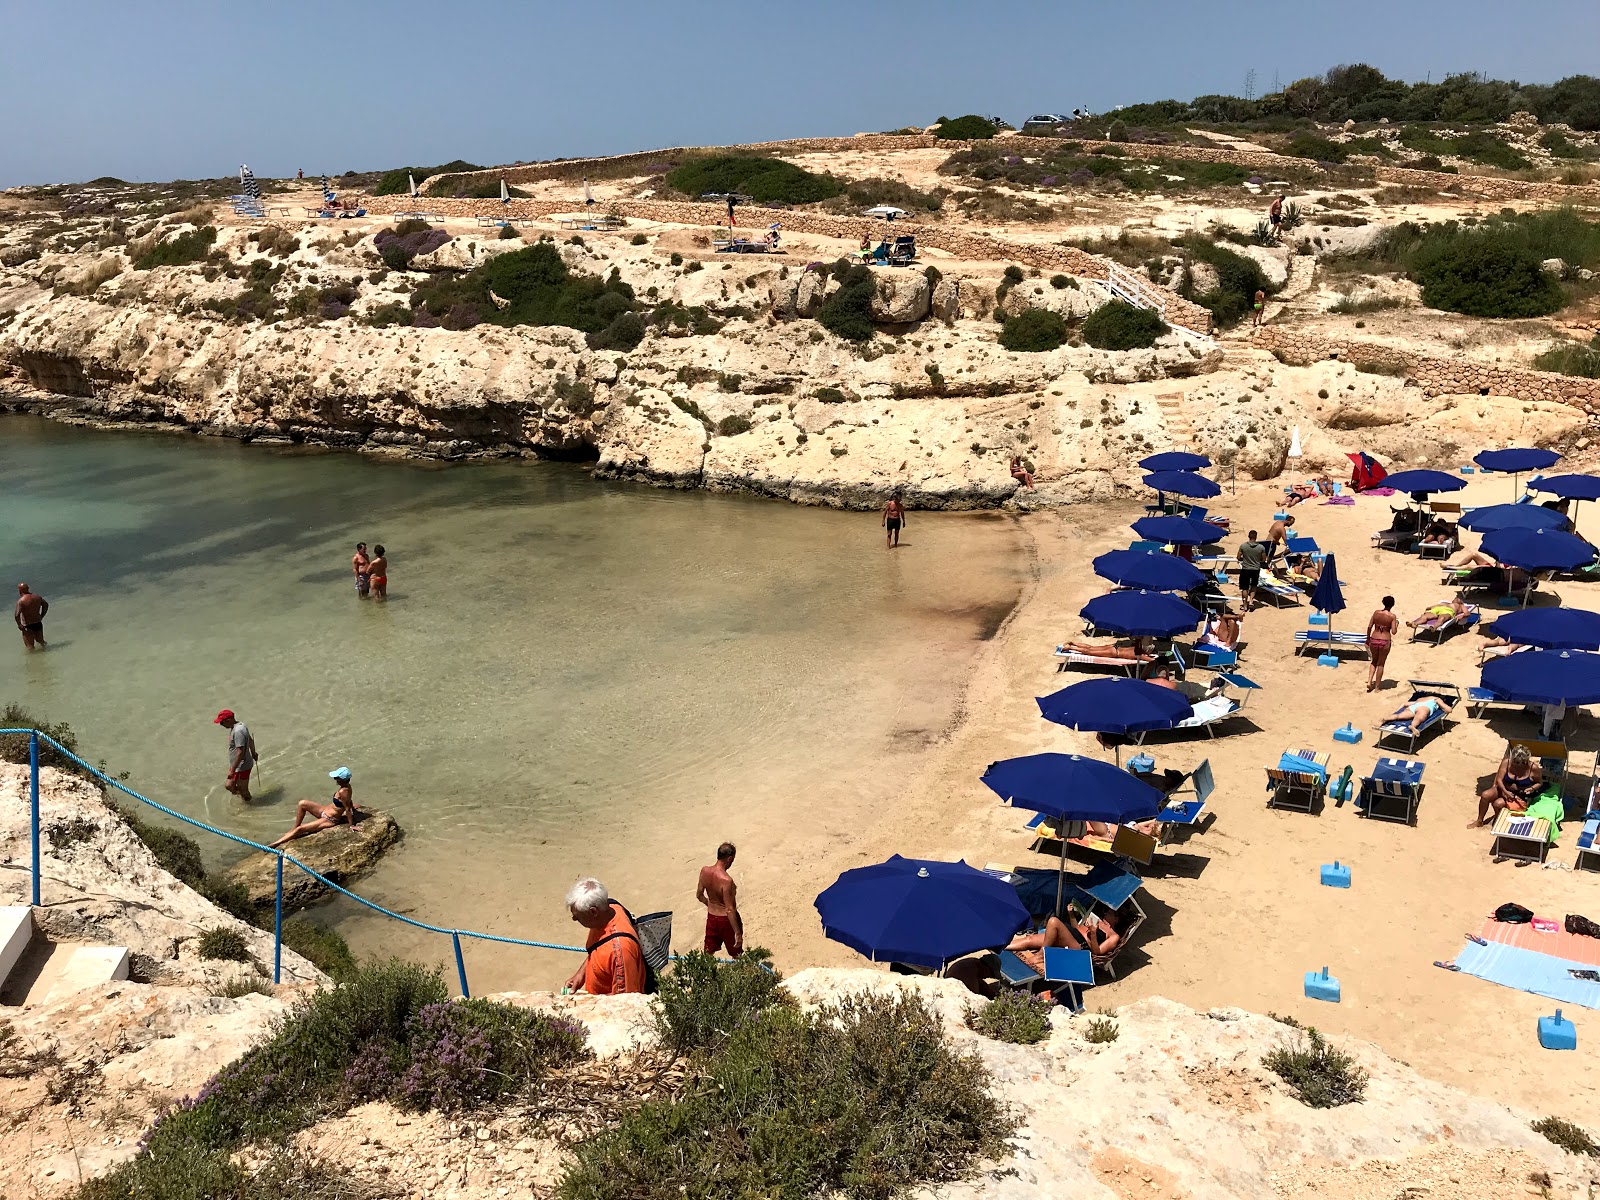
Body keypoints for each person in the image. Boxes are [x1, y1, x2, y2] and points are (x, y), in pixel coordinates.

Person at [562, 877, 645, 996]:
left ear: (593, 912)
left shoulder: (621, 952)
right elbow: (599, 948)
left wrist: (587, 1002)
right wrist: (581, 975)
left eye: (578, 916)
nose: (574, 919)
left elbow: (624, 1000)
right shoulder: (610, 908)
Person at [270, 767, 360, 847]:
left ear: (342, 780)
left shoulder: (343, 792)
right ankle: (294, 829)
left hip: (330, 819)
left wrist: (351, 825)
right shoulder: (346, 787)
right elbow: (348, 801)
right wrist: (353, 807)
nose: (335, 779)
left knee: (301, 829)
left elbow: (347, 808)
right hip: (324, 810)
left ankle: (276, 844)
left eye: (336, 778)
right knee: (302, 803)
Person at [1474, 745, 1542, 828]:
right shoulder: (1507, 763)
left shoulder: (1533, 768)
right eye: (1516, 762)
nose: (1519, 765)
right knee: (1485, 795)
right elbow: (1499, 780)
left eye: (1523, 762)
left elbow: (1539, 783)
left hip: (1519, 794)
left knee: (1497, 804)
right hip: (1503, 788)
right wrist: (1505, 792)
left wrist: (1531, 788)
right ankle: (1479, 820)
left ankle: (1498, 818)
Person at [696, 842, 743, 958]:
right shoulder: (726, 880)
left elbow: (699, 895)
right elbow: (729, 909)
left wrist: (710, 904)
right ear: (730, 858)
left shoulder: (704, 871)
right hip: (726, 921)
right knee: (736, 953)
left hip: (711, 918)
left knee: (708, 953)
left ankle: (704, 975)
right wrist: (737, 932)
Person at [214, 710, 257, 802]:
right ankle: (245, 798)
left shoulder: (238, 732)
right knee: (230, 786)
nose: (221, 724)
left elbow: (240, 752)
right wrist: (254, 753)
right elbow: (250, 740)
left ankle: (250, 804)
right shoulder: (240, 726)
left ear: (229, 720)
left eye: (222, 722)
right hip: (237, 765)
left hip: (242, 766)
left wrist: (232, 770)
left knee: (240, 789)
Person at [1366, 596, 1398, 692]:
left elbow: (1369, 627)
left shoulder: (1376, 613)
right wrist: (1396, 624)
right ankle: (1377, 687)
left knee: (1373, 661)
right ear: (1392, 604)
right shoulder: (1392, 616)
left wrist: (1368, 639)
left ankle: (1369, 681)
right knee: (1381, 664)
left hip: (1374, 639)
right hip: (1385, 641)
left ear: (1383, 602)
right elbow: (1394, 632)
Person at [1386, 693, 1455, 735]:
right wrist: (1442, 706)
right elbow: (1449, 710)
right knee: (1419, 717)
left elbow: (1404, 704)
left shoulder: (1420, 698)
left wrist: (1397, 711)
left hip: (1413, 707)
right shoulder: (1436, 699)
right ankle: (1413, 726)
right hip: (1424, 708)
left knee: (1399, 716)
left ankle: (1387, 718)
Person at [1055, 638, 1156, 662]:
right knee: (1090, 652)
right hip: (1114, 653)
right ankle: (1071, 647)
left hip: (1114, 647)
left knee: (1091, 647)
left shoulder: (1137, 646)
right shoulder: (1141, 654)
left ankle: (1073, 643)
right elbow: (1152, 660)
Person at [1236, 531, 1265, 611]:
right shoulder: (1261, 547)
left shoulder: (1243, 546)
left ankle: (1245, 605)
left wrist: (1244, 559)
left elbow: (1238, 557)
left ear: (1248, 536)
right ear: (1256, 537)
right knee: (1254, 585)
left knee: (1244, 587)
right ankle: (1251, 601)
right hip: (1256, 569)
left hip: (1245, 569)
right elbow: (1263, 559)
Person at [14, 583, 47, 651]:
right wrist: (41, 615)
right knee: (41, 642)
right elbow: (45, 605)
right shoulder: (37, 597)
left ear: (19, 591)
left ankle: (33, 660)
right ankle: (46, 653)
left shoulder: (21, 601)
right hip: (38, 623)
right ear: (28, 588)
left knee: (30, 647)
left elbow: (17, 615)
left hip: (27, 625)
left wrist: (19, 625)